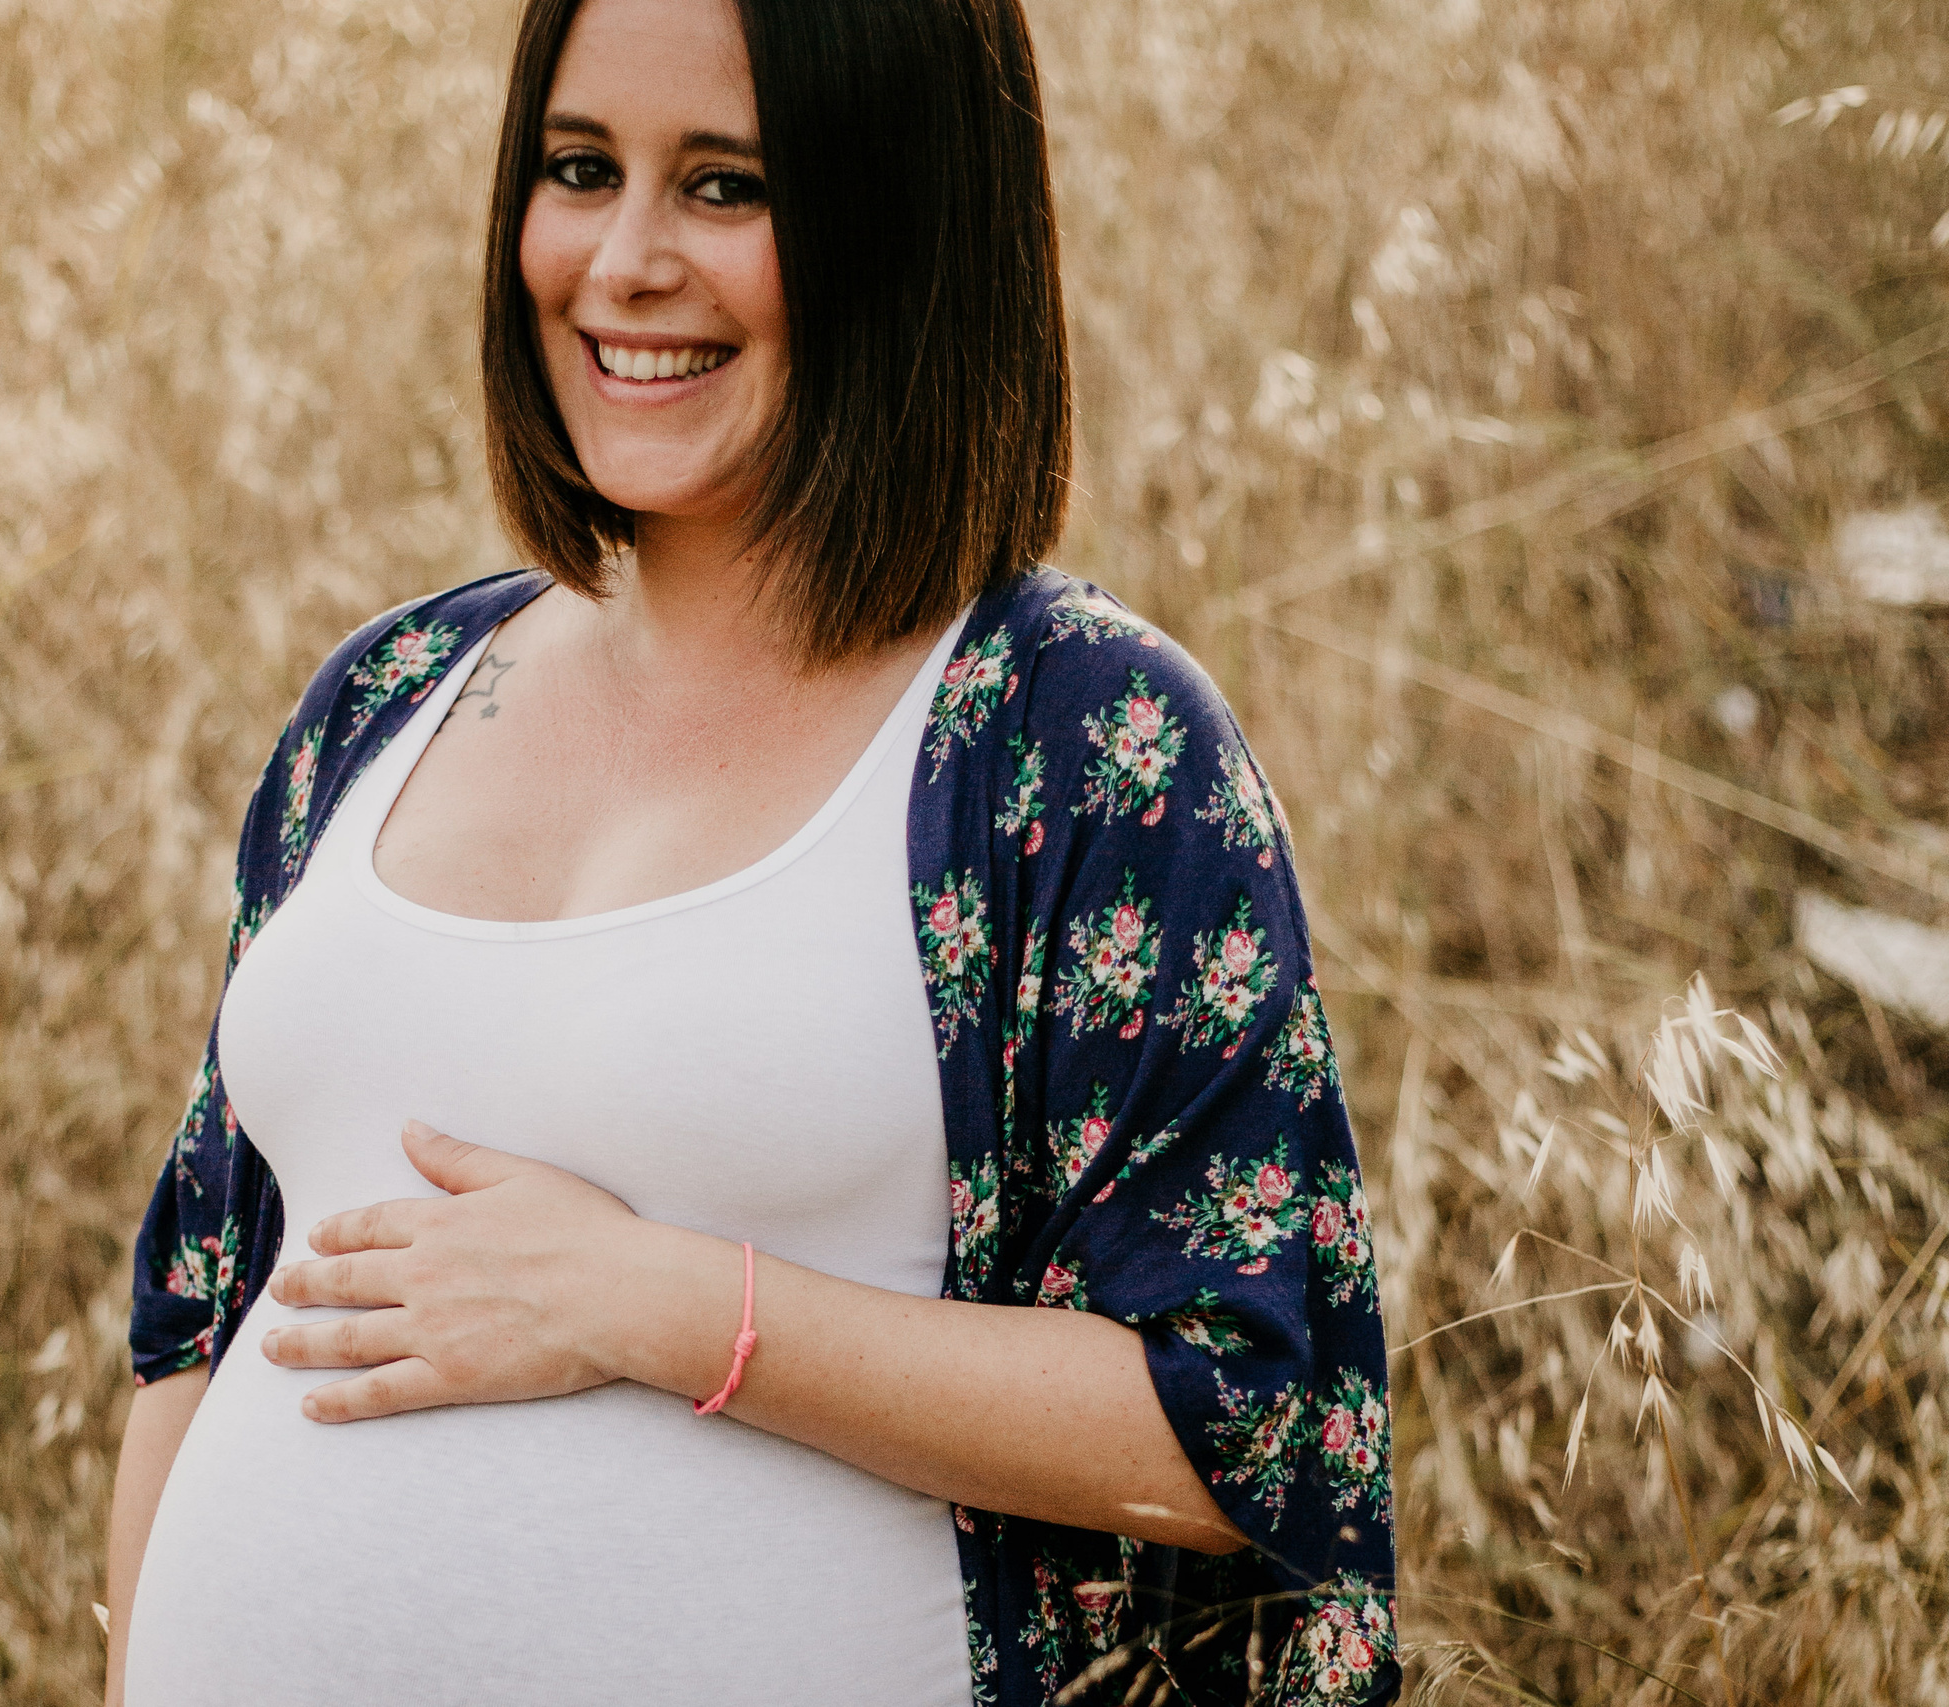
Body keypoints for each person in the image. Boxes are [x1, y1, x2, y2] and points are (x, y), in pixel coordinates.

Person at [102, 0, 1396, 1700]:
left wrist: (658, 1307)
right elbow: (198, 1323)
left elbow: (1249, 1431)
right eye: (581, 170)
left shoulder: (1075, 740)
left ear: (903, 216)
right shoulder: (388, 698)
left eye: (728, 186)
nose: (624, 262)